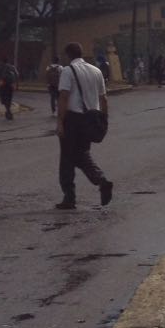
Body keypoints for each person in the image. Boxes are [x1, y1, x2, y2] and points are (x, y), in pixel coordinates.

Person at [55, 41, 113, 210]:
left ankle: (69, 197)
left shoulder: (68, 71)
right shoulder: (96, 71)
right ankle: (101, 180)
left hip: (72, 119)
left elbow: (64, 97)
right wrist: (104, 120)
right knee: (82, 154)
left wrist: (60, 122)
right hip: (91, 118)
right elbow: (104, 99)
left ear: (68, 55)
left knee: (67, 158)